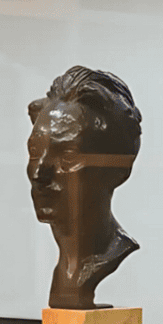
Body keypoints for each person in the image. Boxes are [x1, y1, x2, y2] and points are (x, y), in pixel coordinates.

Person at [27, 66, 141, 310]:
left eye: (68, 157)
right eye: (35, 152)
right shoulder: (65, 266)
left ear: (119, 168)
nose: (38, 174)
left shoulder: (107, 253)